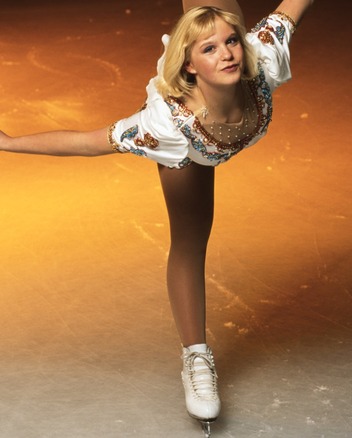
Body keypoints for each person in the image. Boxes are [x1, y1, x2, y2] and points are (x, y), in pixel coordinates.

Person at [0, 0, 313, 433]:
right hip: (189, 145)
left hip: (207, 114)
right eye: (210, 50)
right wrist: (9, 143)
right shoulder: (166, 125)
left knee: (212, 16)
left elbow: (292, 7)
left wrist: (225, 39)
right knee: (190, 240)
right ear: (189, 66)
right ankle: (196, 357)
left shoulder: (261, 56)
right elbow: (90, 142)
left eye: (231, 42)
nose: (227, 54)